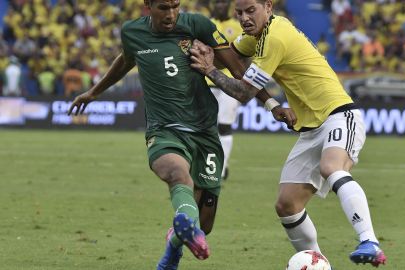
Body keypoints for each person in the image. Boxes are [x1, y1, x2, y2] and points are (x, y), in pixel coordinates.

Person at [67, 1, 295, 269]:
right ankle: (179, 235)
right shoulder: (132, 32)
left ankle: (175, 242)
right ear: (148, 5)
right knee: (177, 174)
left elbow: (239, 72)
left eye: (176, 6)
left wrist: (272, 104)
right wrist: (94, 91)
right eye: (164, 7)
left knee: (204, 224)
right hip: (164, 129)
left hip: (204, 131)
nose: (171, 14)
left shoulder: (198, 26)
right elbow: (126, 59)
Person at [189, 0, 387, 267]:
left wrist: (208, 70)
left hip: (339, 114)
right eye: (239, 13)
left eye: (251, 10)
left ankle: (369, 241)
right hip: (310, 129)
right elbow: (231, 58)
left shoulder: (276, 36)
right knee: (287, 205)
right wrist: (201, 52)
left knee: (332, 167)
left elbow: (242, 92)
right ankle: (318, 263)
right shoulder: (255, 37)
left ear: (268, 7)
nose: (244, 18)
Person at [208, 0, 244, 180]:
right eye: (217, 2)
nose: (220, 5)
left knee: (224, 125)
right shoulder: (206, 24)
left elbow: (246, 56)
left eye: (223, 2)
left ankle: (221, 169)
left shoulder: (237, 27)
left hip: (230, 84)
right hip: (206, 82)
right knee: (204, 127)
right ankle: (206, 164)